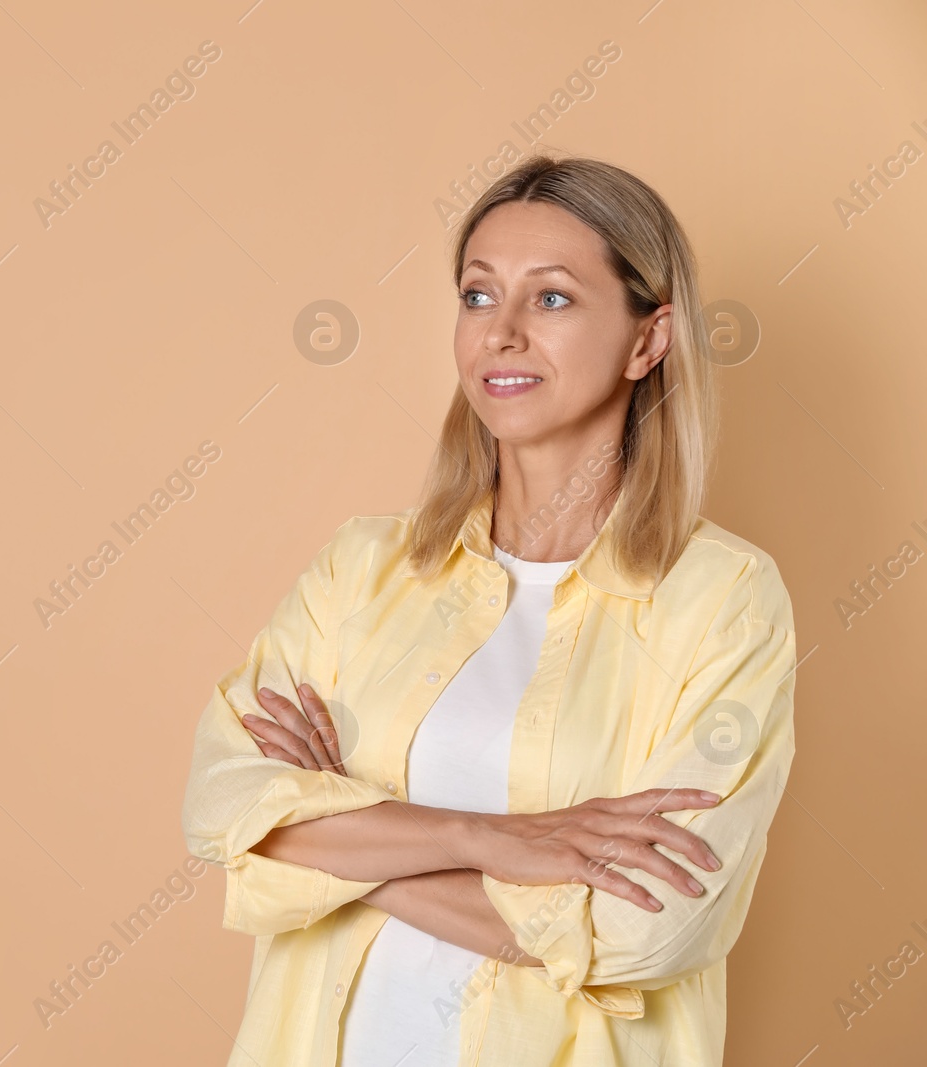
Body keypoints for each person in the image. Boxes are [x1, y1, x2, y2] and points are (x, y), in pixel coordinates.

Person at [180, 153, 798, 1067]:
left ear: (647, 339)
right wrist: (498, 841)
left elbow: (647, 932)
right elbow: (222, 802)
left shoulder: (723, 600)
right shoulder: (364, 568)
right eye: (477, 296)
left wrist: (340, 847)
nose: (499, 334)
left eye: (549, 299)